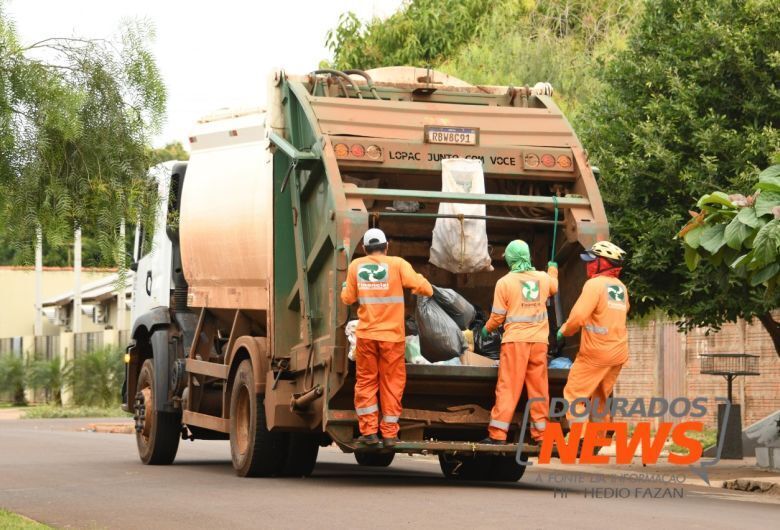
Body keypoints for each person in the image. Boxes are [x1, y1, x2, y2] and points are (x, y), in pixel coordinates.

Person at [341, 228, 433, 447]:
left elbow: (347, 298)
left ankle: (369, 433)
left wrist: (345, 286)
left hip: (366, 336)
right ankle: (390, 434)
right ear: (386, 246)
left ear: (364, 248)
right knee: (392, 383)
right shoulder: (398, 264)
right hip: (392, 337)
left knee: (366, 383)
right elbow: (424, 287)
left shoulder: (356, 266)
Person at [481, 239, 558, 444]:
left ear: (510, 259)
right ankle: (541, 435)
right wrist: (552, 271)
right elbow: (554, 288)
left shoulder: (504, 282)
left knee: (509, 387)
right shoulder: (542, 278)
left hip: (515, 342)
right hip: (540, 343)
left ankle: (497, 434)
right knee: (539, 388)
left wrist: (486, 329)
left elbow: (498, 317)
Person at [558, 241, 629, 432]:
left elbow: (578, 317)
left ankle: (579, 440)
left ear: (603, 263)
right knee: (600, 397)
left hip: (596, 354)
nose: (588, 264)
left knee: (574, 395)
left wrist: (563, 331)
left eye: (592, 261)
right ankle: (598, 438)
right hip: (618, 354)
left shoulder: (594, 285)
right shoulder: (620, 288)